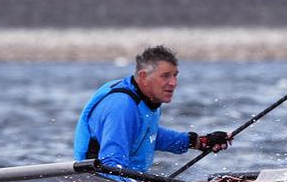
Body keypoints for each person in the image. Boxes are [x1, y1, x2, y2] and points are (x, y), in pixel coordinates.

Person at [73, 45, 230, 173]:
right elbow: (111, 165)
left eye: (175, 75)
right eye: (165, 76)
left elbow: (146, 134)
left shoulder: (145, 99)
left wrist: (197, 141)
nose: (173, 83)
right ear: (143, 77)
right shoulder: (122, 107)